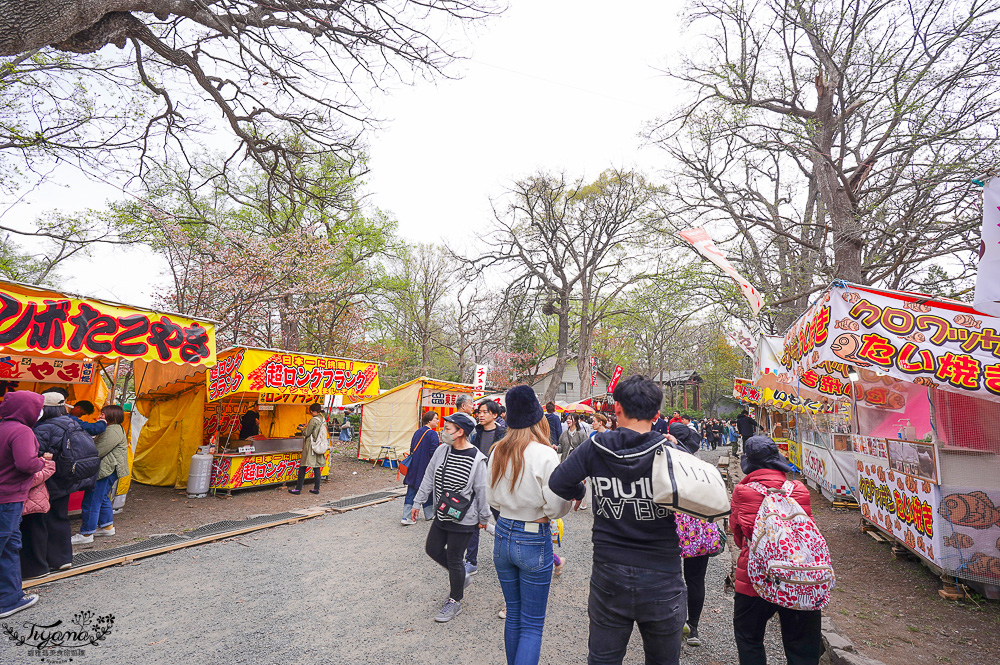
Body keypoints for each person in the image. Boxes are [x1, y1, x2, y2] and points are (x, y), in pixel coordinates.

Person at [549, 375, 700, 665]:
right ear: (657, 415)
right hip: (663, 577)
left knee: (604, 659)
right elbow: (705, 502)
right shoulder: (670, 451)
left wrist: (583, 490)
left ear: (616, 408)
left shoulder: (597, 446)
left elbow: (558, 482)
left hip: (609, 574)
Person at [487, 385, 573, 665]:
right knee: (532, 623)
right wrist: (549, 512)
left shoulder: (497, 449)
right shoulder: (544, 453)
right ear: (538, 418)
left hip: (503, 534)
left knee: (514, 614)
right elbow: (558, 504)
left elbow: (491, 499)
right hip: (534, 535)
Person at [731, 436, 822, 664]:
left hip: (756, 577)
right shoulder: (798, 489)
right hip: (799, 575)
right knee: (802, 644)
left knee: (749, 637)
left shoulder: (742, 491)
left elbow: (738, 534)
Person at [411, 411, 489, 623]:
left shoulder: (477, 459)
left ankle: (455, 601)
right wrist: (417, 502)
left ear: (460, 432)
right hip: (442, 513)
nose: (443, 432)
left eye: (448, 429)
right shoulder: (442, 451)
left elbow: (482, 490)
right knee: (432, 549)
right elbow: (429, 476)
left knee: (455, 559)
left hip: (464, 519)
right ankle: (461, 576)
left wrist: (484, 517)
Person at [29, 392, 99, 573]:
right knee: (60, 517)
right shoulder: (72, 423)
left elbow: (35, 454)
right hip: (67, 478)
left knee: (41, 519)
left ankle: (44, 561)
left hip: (50, 479)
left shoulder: (44, 427)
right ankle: (63, 558)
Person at [0, 391, 48, 618]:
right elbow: (26, 463)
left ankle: (11, 598)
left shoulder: (3, 427)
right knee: (5, 544)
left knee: (10, 546)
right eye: (38, 407)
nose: (40, 412)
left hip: (8, 496)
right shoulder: (22, 431)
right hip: (8, 497)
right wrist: (42, 461)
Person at [71, 405, 128, 545]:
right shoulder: (113, 429)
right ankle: (106, 527)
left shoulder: (112, 430)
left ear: (111, 415)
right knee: (102, 498)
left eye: (103, 414)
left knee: (92, 500)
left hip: (106, 470)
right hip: (110, 469)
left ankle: (86, 534)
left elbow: (98, 450)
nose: (101, 416)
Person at [464, 400, 508, 574]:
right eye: (479, 412)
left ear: (495, 415)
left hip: (497, 486)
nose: (480, 415)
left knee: (504, 522)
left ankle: (507, 556)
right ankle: (471, 560)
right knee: (472, 522)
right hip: (478, 485)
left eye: (485, 412)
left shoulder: (504, 435)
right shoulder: (476, 434)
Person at [401, 411, 441, 525]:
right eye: (436, 419)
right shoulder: (432, 434)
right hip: (426, 467)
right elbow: (434, 453)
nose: (437, 421)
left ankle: (407, 516)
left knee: (412, 490)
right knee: (427, 489)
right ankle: (425, 515)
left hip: (414, 466)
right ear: (429, 420)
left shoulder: (417, 432)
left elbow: (411, 448)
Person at [289, 404, 326, 495]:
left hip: (310, 445)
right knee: (316, 467)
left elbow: (307, 433)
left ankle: (298, 489)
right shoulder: (322, 419)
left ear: (312, 411)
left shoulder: (313, 420)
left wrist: (302, 428)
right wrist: (308, 425)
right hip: (318, 444)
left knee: (303, 466)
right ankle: (316, 489)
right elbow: (316, 429)